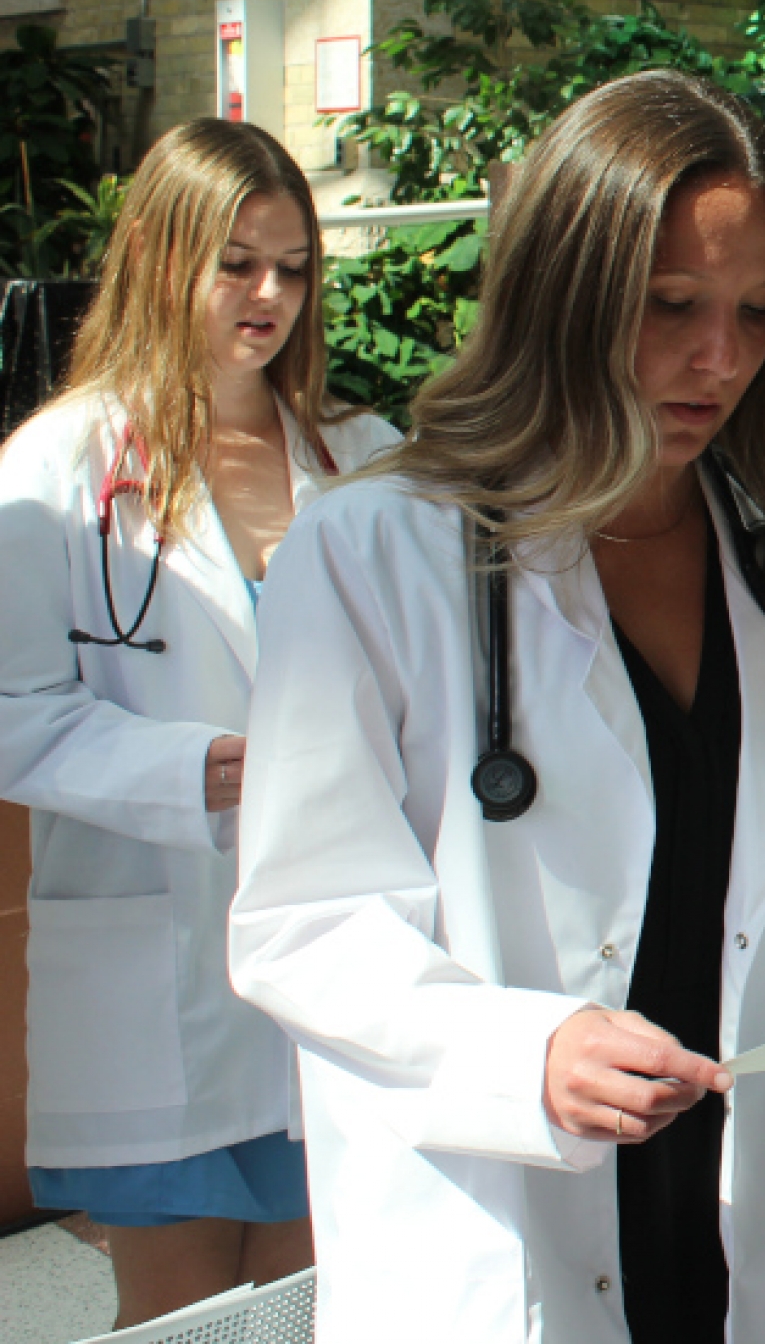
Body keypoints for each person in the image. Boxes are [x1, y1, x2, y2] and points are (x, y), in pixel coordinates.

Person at [226, 72, 765, 1342]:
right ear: (565, 298)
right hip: (502, 1223)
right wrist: (521, 1053)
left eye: (759, 313)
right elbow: (304, 923)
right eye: (671, 308)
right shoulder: (377, 553)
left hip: (746, 1232)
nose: (720, 358)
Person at [0, 120, 398, 1325]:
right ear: (162, 258)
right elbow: (11, 711)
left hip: (338, 946)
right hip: (158, 957)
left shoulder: (367, 459)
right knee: (182, 1320)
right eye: (236, 262)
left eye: (292, 266)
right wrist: (195, 772)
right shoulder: (56, 470)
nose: (269, 294)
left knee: (316, 1303)